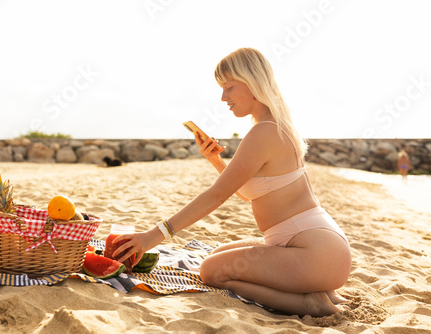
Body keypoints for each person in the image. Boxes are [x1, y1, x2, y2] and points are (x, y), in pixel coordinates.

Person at [113, 48, 351, 316]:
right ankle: (315, 288)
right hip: (314, 246)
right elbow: (246, 193)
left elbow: (217, 195)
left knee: (211, 271)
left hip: (315, 254)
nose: (223, 97)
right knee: (219, 254)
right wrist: (215, 160)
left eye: (229, 87)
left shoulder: (264, 132)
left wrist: (152, 236)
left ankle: (310, 302)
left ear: (253, 83)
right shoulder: (275, 126)